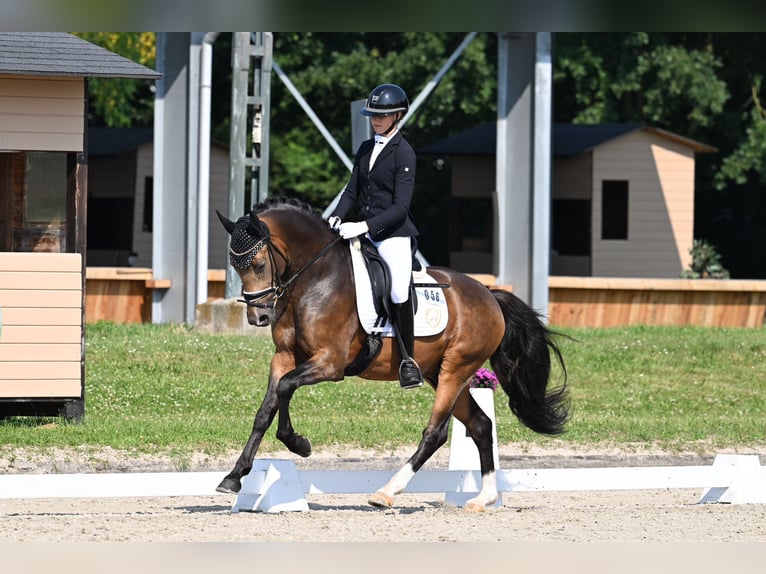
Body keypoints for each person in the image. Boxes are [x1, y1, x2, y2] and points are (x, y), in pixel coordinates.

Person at [328, 83, 423, 389]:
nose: (376, 120)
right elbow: (352, 191)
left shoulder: (404, 152)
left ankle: (408, 360)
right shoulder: (366, 148)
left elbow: (400, 207)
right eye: (373, 115)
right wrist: (337, 216)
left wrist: (364, 227)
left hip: (393, 235)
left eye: (382, 116)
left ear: (398, 115)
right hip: (363, 230)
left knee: (397, 291)